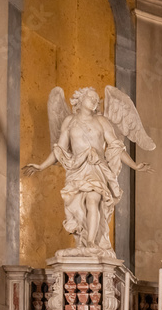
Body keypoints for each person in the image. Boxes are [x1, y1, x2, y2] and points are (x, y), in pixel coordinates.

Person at [23, 88, 152, 255]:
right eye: (90, 97)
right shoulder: (69, 121)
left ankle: (91, 241)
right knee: (78, 209)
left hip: (96, 167)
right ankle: (82, 242)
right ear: (80, 98)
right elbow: (60, 150)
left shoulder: (102, 121)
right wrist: (41, 166)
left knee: (94, 200)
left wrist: (134, 165)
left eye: (96, 99)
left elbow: (115, 147)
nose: (94, 101)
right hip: (76, 169)